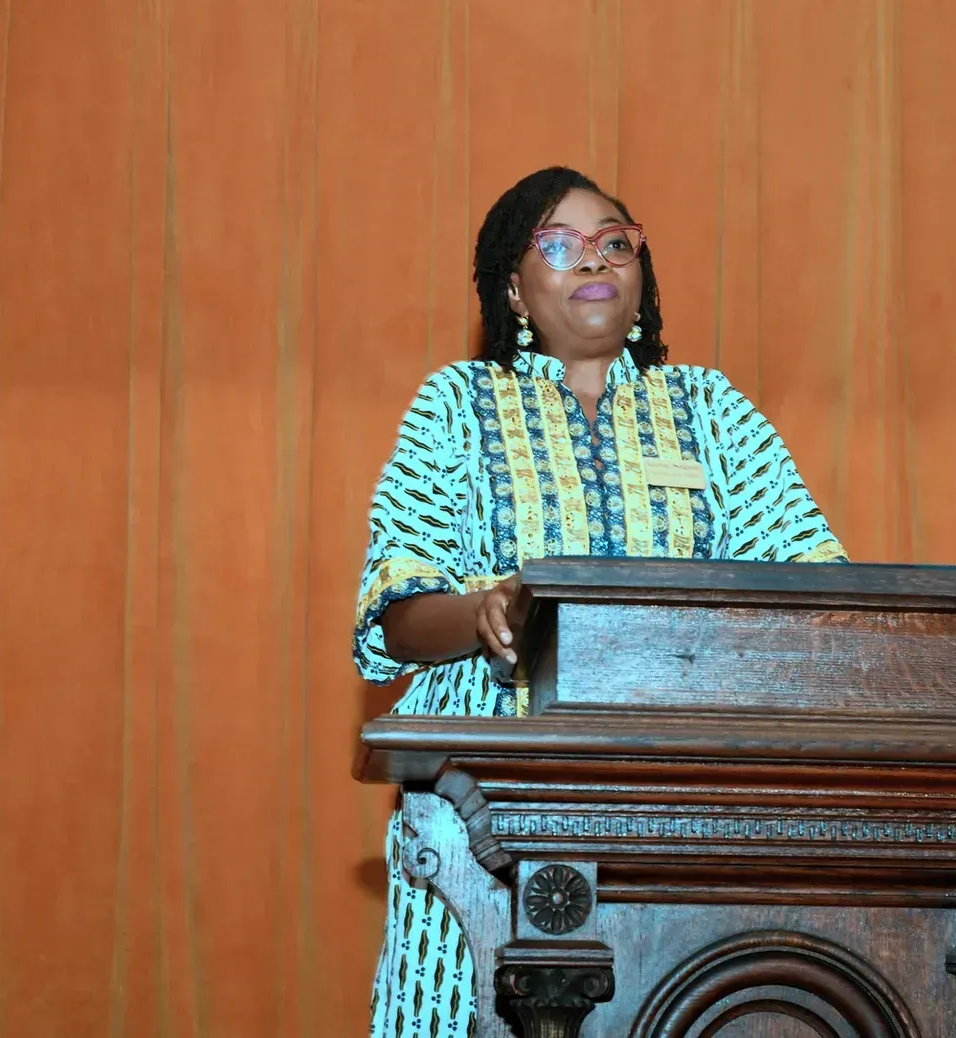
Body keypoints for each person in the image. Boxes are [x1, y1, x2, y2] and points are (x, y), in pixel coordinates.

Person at [353, 166, 847, 1037]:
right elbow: (397, 608)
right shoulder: (457, 408)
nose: (595, 261)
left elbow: (817, 590)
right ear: (514, 284)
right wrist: (480, 615)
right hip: (483, 806)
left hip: (681, 807)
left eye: (616, 242)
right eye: (559, 245)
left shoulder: (713, 410)